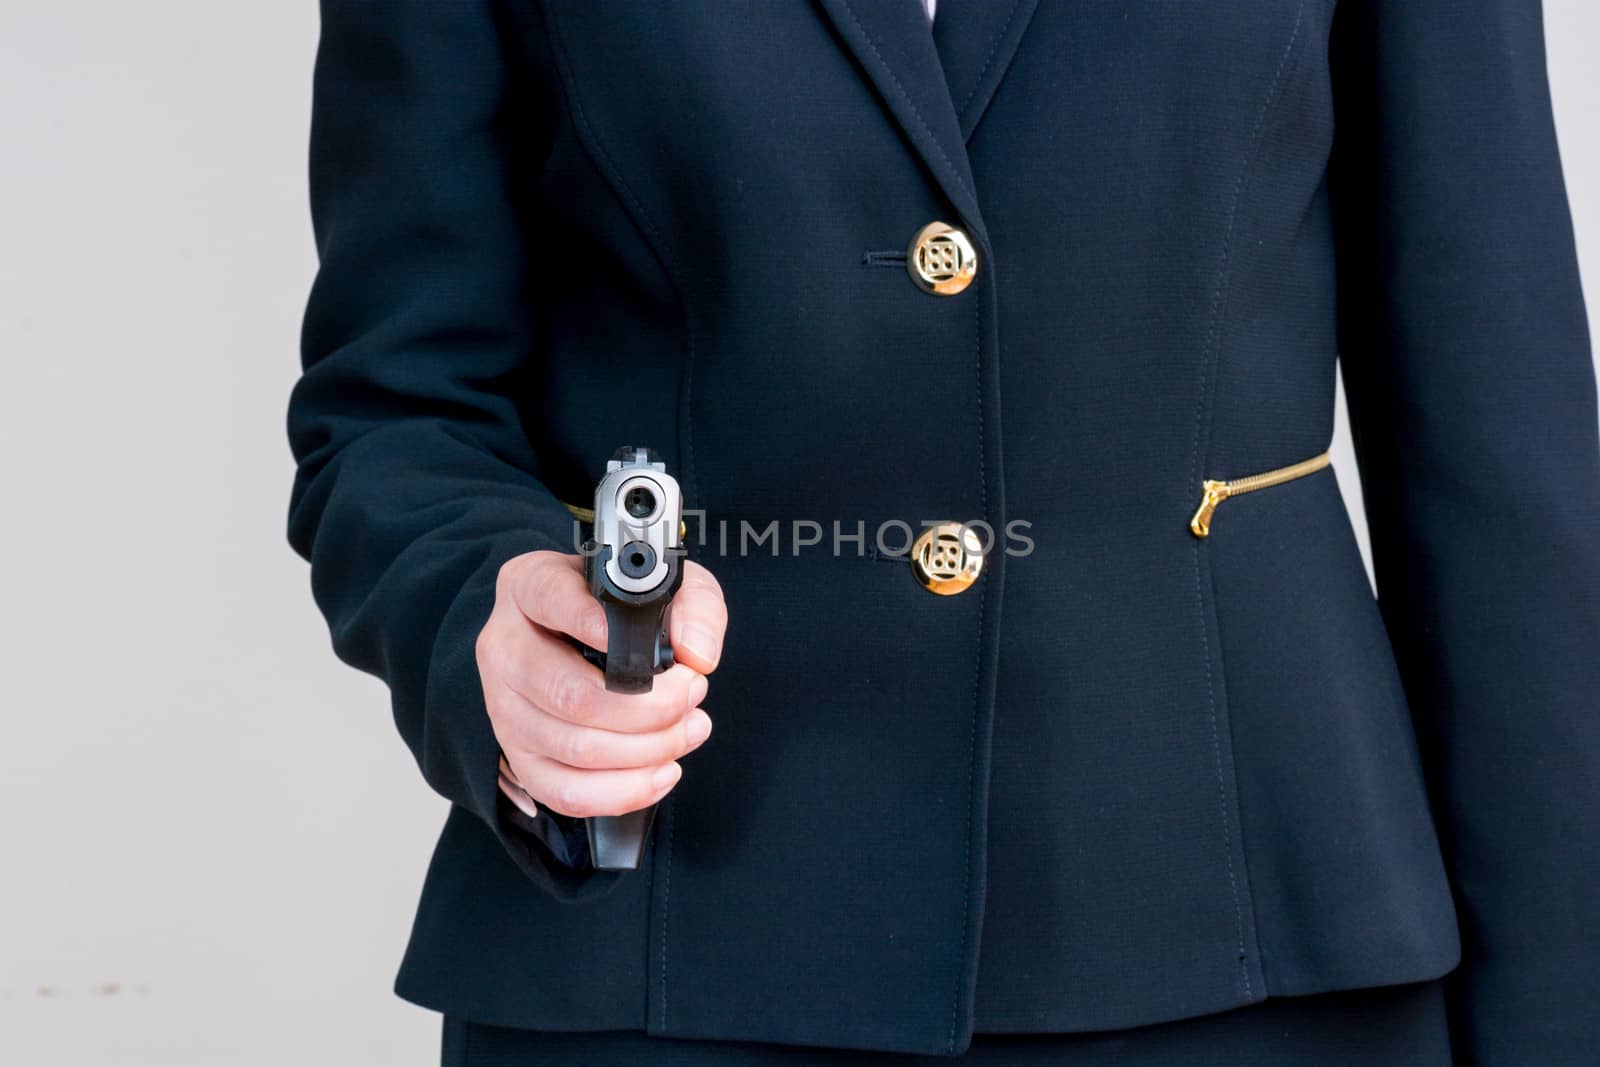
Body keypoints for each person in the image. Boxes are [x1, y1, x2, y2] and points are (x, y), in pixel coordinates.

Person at [285, 1, 1600, 1063]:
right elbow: (395, 403)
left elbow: (1498, 455)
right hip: (661, 954)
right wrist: (477, 615)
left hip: (1256, 951)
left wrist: (1557, 1020)